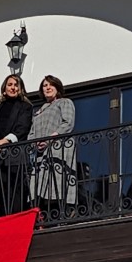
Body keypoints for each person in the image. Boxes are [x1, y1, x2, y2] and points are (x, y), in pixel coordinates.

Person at [0, 73, 34, 216]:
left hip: (15, 155)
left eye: (16, 85)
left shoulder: (25, 106)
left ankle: (17, 220)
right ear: (4, 88)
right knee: (2, 190)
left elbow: (22, 128)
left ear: (20, 88)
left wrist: (4, 141)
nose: (13, 87)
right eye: (10, 84)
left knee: (17, 190)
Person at [28, 75, 77, 219]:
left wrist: (51, 138)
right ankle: (41, 216)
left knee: (58, 182)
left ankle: (64, 213)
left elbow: (68, 123)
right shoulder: (39, 110)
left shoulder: (64, 102)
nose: (47, 88)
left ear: (57, 87)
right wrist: (35, 143)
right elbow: (31, 133)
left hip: (58, 148)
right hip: (40, 153)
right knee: (39, 185)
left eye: (51, 85)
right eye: (44, 86)